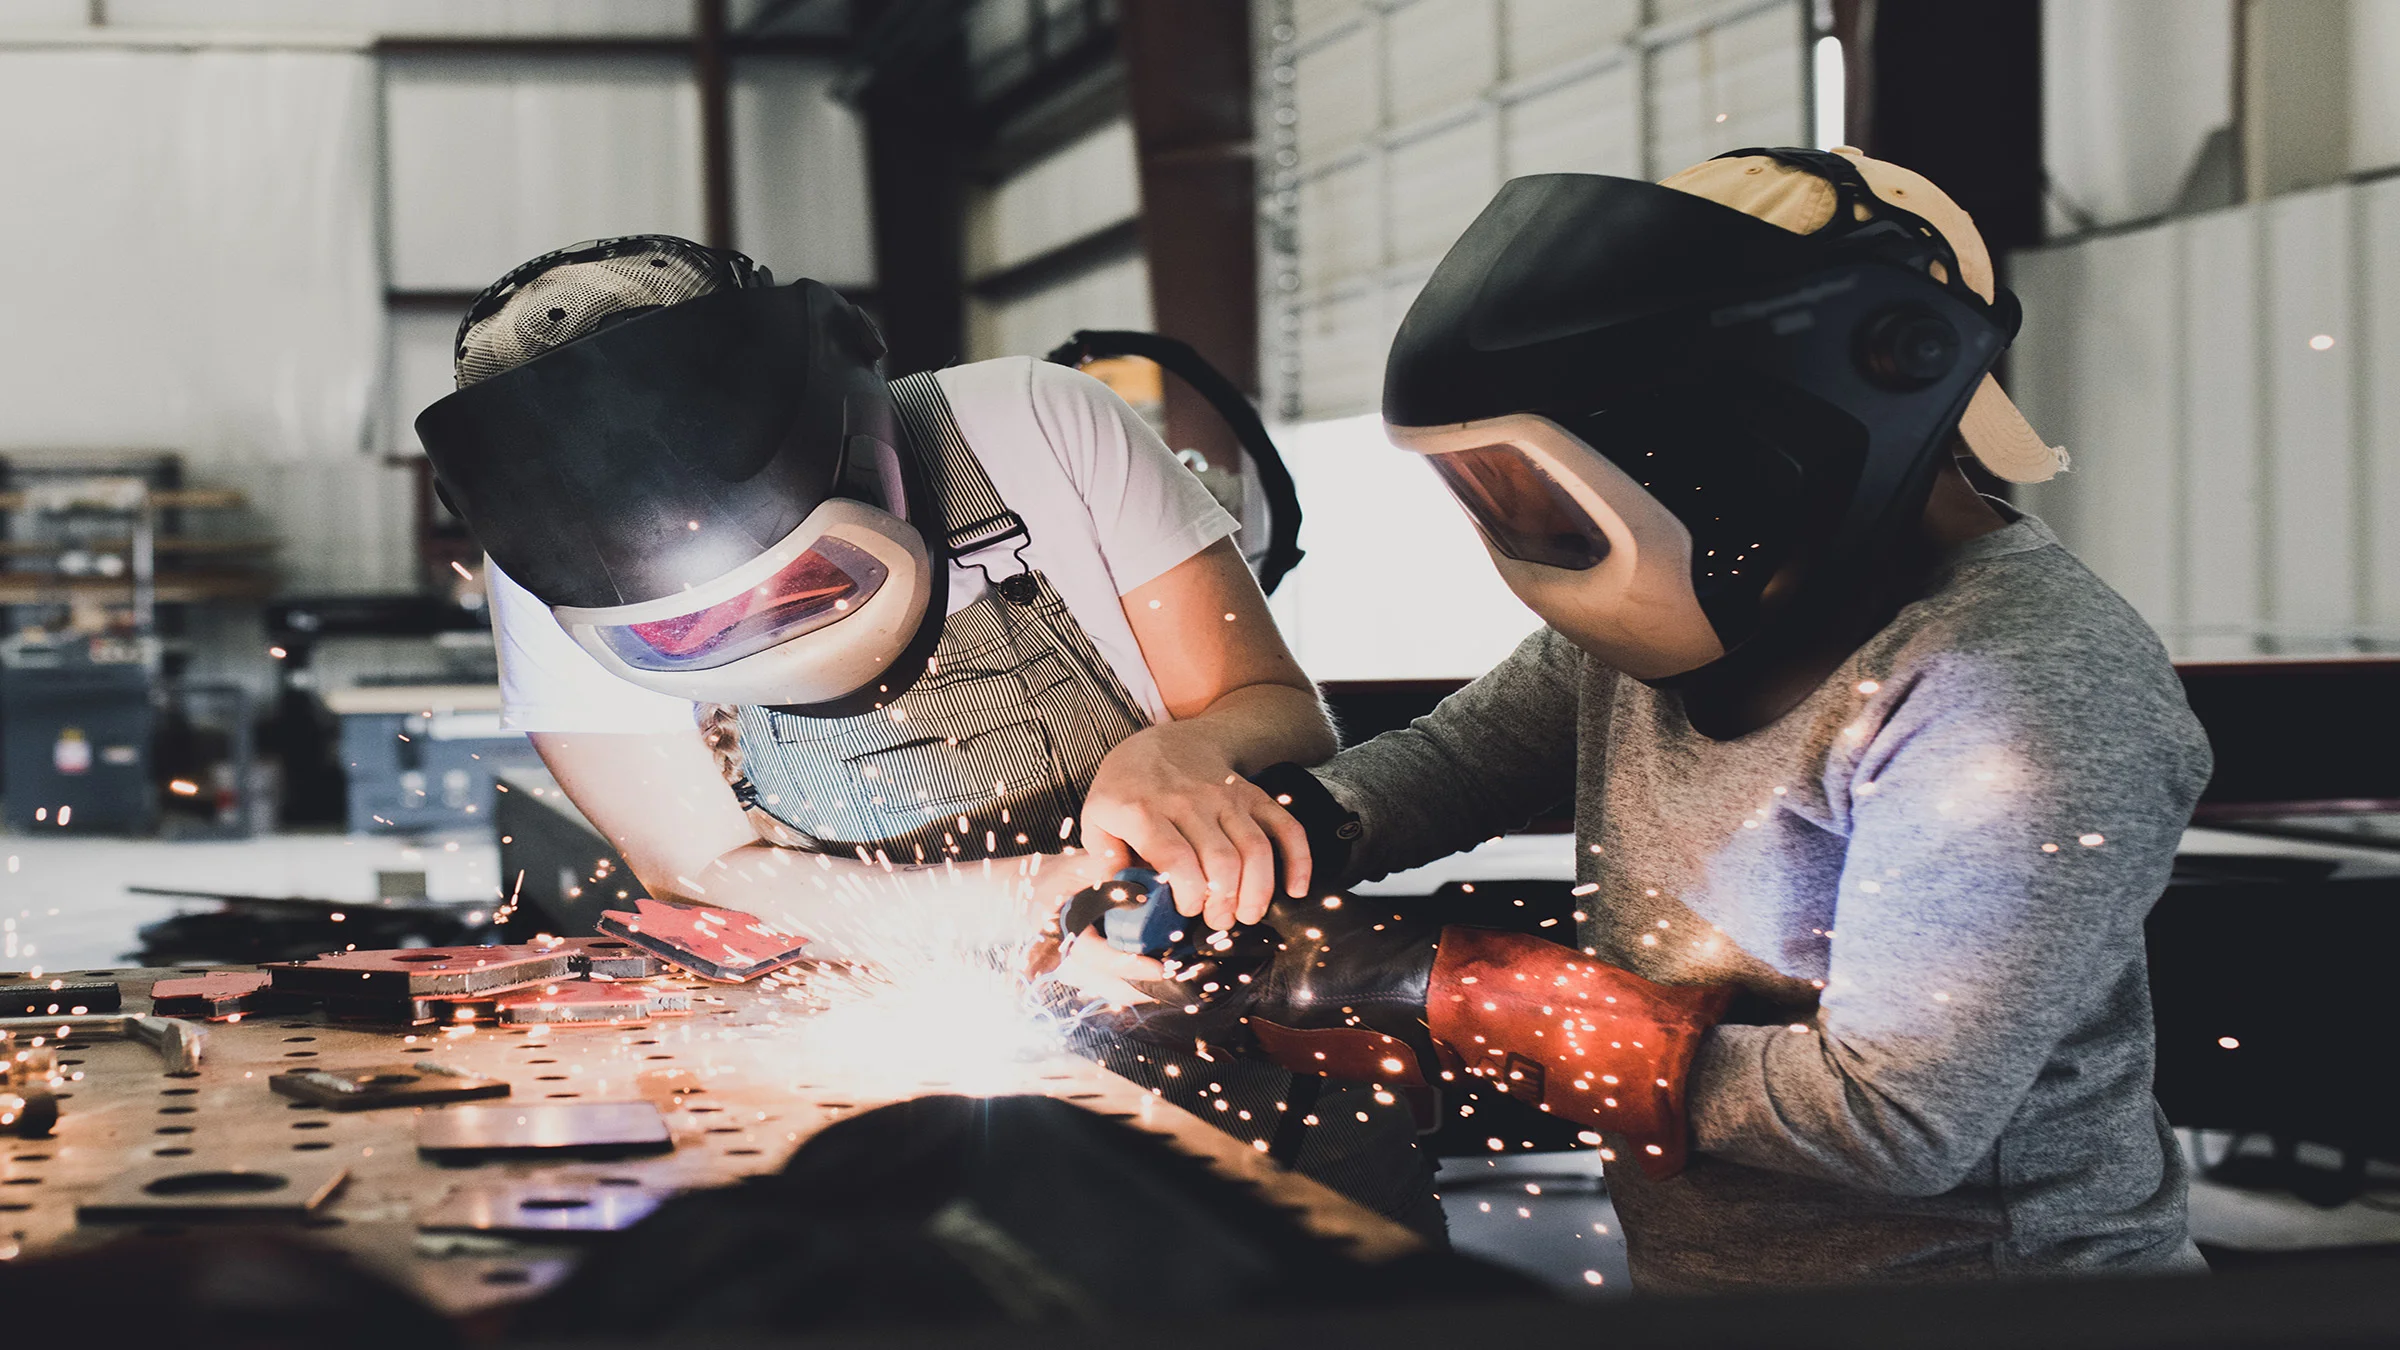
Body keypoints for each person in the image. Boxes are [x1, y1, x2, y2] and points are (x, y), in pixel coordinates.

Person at [1069, 148, 2214, 1289]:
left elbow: (1896, 1122)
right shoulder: (1705, 602)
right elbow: (1467, 757)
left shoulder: (2012, 689)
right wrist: (1286, 836)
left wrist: (1446, 989)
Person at [413, 236, 1439, 1231]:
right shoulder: (550, 575)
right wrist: (1027, 901)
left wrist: (1185, 751)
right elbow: (699, 867)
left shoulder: (1035, 425)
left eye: (800, 582)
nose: (762, 625)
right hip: (888, 1051)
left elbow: (1279, 711)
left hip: (1243, 1018)